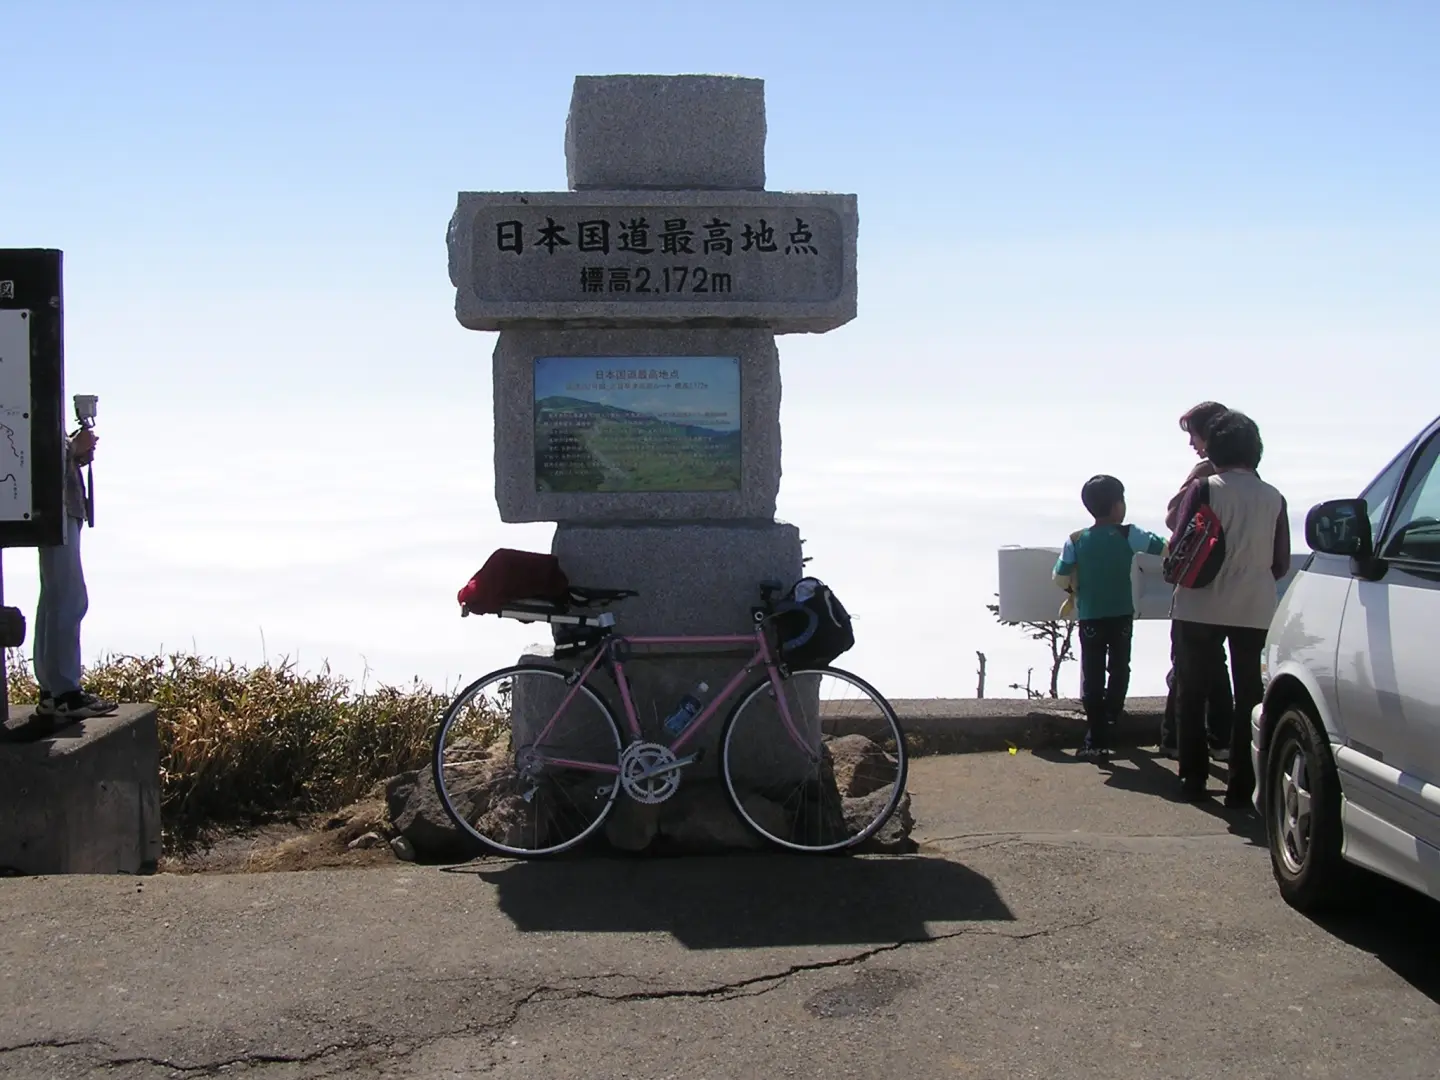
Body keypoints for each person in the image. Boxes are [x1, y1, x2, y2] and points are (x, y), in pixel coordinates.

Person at [1168, 410, 1289, 805]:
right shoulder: (1274, 497)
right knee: (1251, 697)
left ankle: (1193, 780)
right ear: (1255, 451)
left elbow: (1180, 541)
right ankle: (1242, 785)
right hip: (1254, 606)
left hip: (1198, 604)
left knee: (1192, 692)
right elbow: (1280, 563)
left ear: (1214, 450)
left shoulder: (1204, 489)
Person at [1053, 475, 1168, 762]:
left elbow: (1060, 575)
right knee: (1119, 668)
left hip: (1090, 616)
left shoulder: (1076, 539)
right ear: (1118, 505)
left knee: (1092, 675)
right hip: (1121, 614)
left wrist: (1073, 588)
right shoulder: (1128, 534)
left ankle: (1095, 738)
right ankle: (1112, 713)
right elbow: (1163, 547)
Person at [1159, 401, 1235, 760]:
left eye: (1194, 435)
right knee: (1217, 664)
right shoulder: (1248, 475)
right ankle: (1222, 739)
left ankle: (1177, 740)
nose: (1192, 443)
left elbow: (1174, 518)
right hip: (1235, 587)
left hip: (1199, 581)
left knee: (1187, 663)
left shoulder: (1205, 474)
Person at [33, 424, 117, 723]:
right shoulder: (27, 400)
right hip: (56, 507)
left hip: (53, 507)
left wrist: (73, 451)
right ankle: (65, 694)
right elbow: (38, 451)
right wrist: (72, 448)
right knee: (68, 599)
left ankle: (52, 691)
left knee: (54, 598)